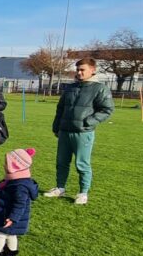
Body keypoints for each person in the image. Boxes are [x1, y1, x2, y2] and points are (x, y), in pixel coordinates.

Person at [45, 58, 114, 205]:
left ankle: (83, 193)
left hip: (83, 133)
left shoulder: (100, 88)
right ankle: (60, 188)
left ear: (92, 70)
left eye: (82, 69)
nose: (79, 72)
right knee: (61, 162)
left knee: (82, 164)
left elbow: (107, 109)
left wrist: (88, 122)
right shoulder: (70, 88)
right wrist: (57, 126)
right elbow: (60, 108)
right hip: (65, 131)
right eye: (77, 69)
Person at [0, 148, 37, 256]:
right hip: (10, 215)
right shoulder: (15, 180)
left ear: (15, 166)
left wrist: (12, 218)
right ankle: (11, 252)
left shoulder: (20, 186)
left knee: (1, 234)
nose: (4, 165)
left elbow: (20, 204)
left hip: (9, 216)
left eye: (7, 163)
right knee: (11, 234)